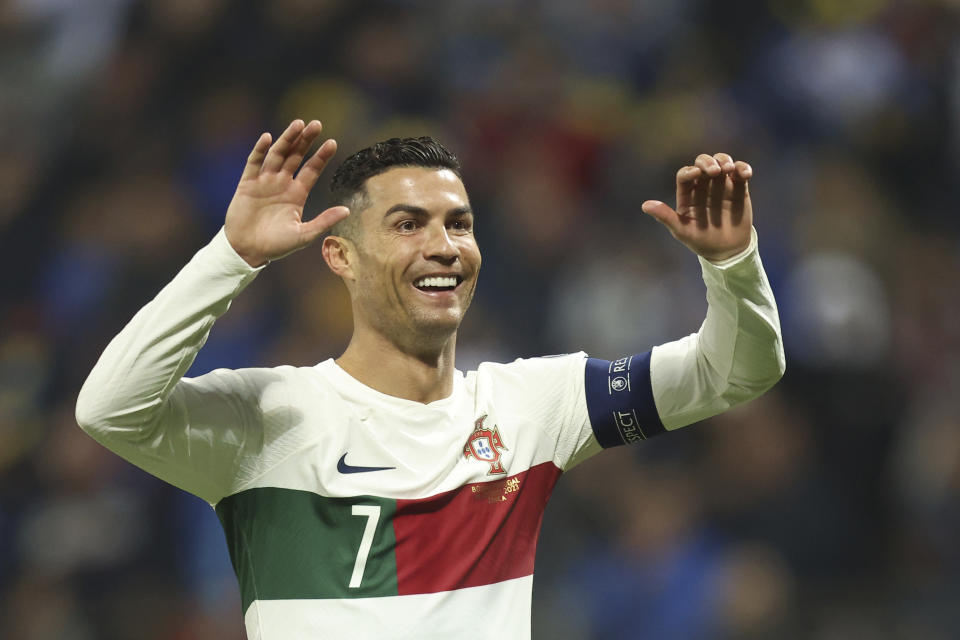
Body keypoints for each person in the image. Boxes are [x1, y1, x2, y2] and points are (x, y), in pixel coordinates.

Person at [76, 119, 785, 639]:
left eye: (460, 224)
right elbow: (110, 410)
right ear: (340, 256)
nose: (443, 246)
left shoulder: (535, 406)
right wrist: (230, 256)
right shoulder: (269, 416)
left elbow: (735, 374)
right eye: (409, 224)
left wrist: (732, 267)